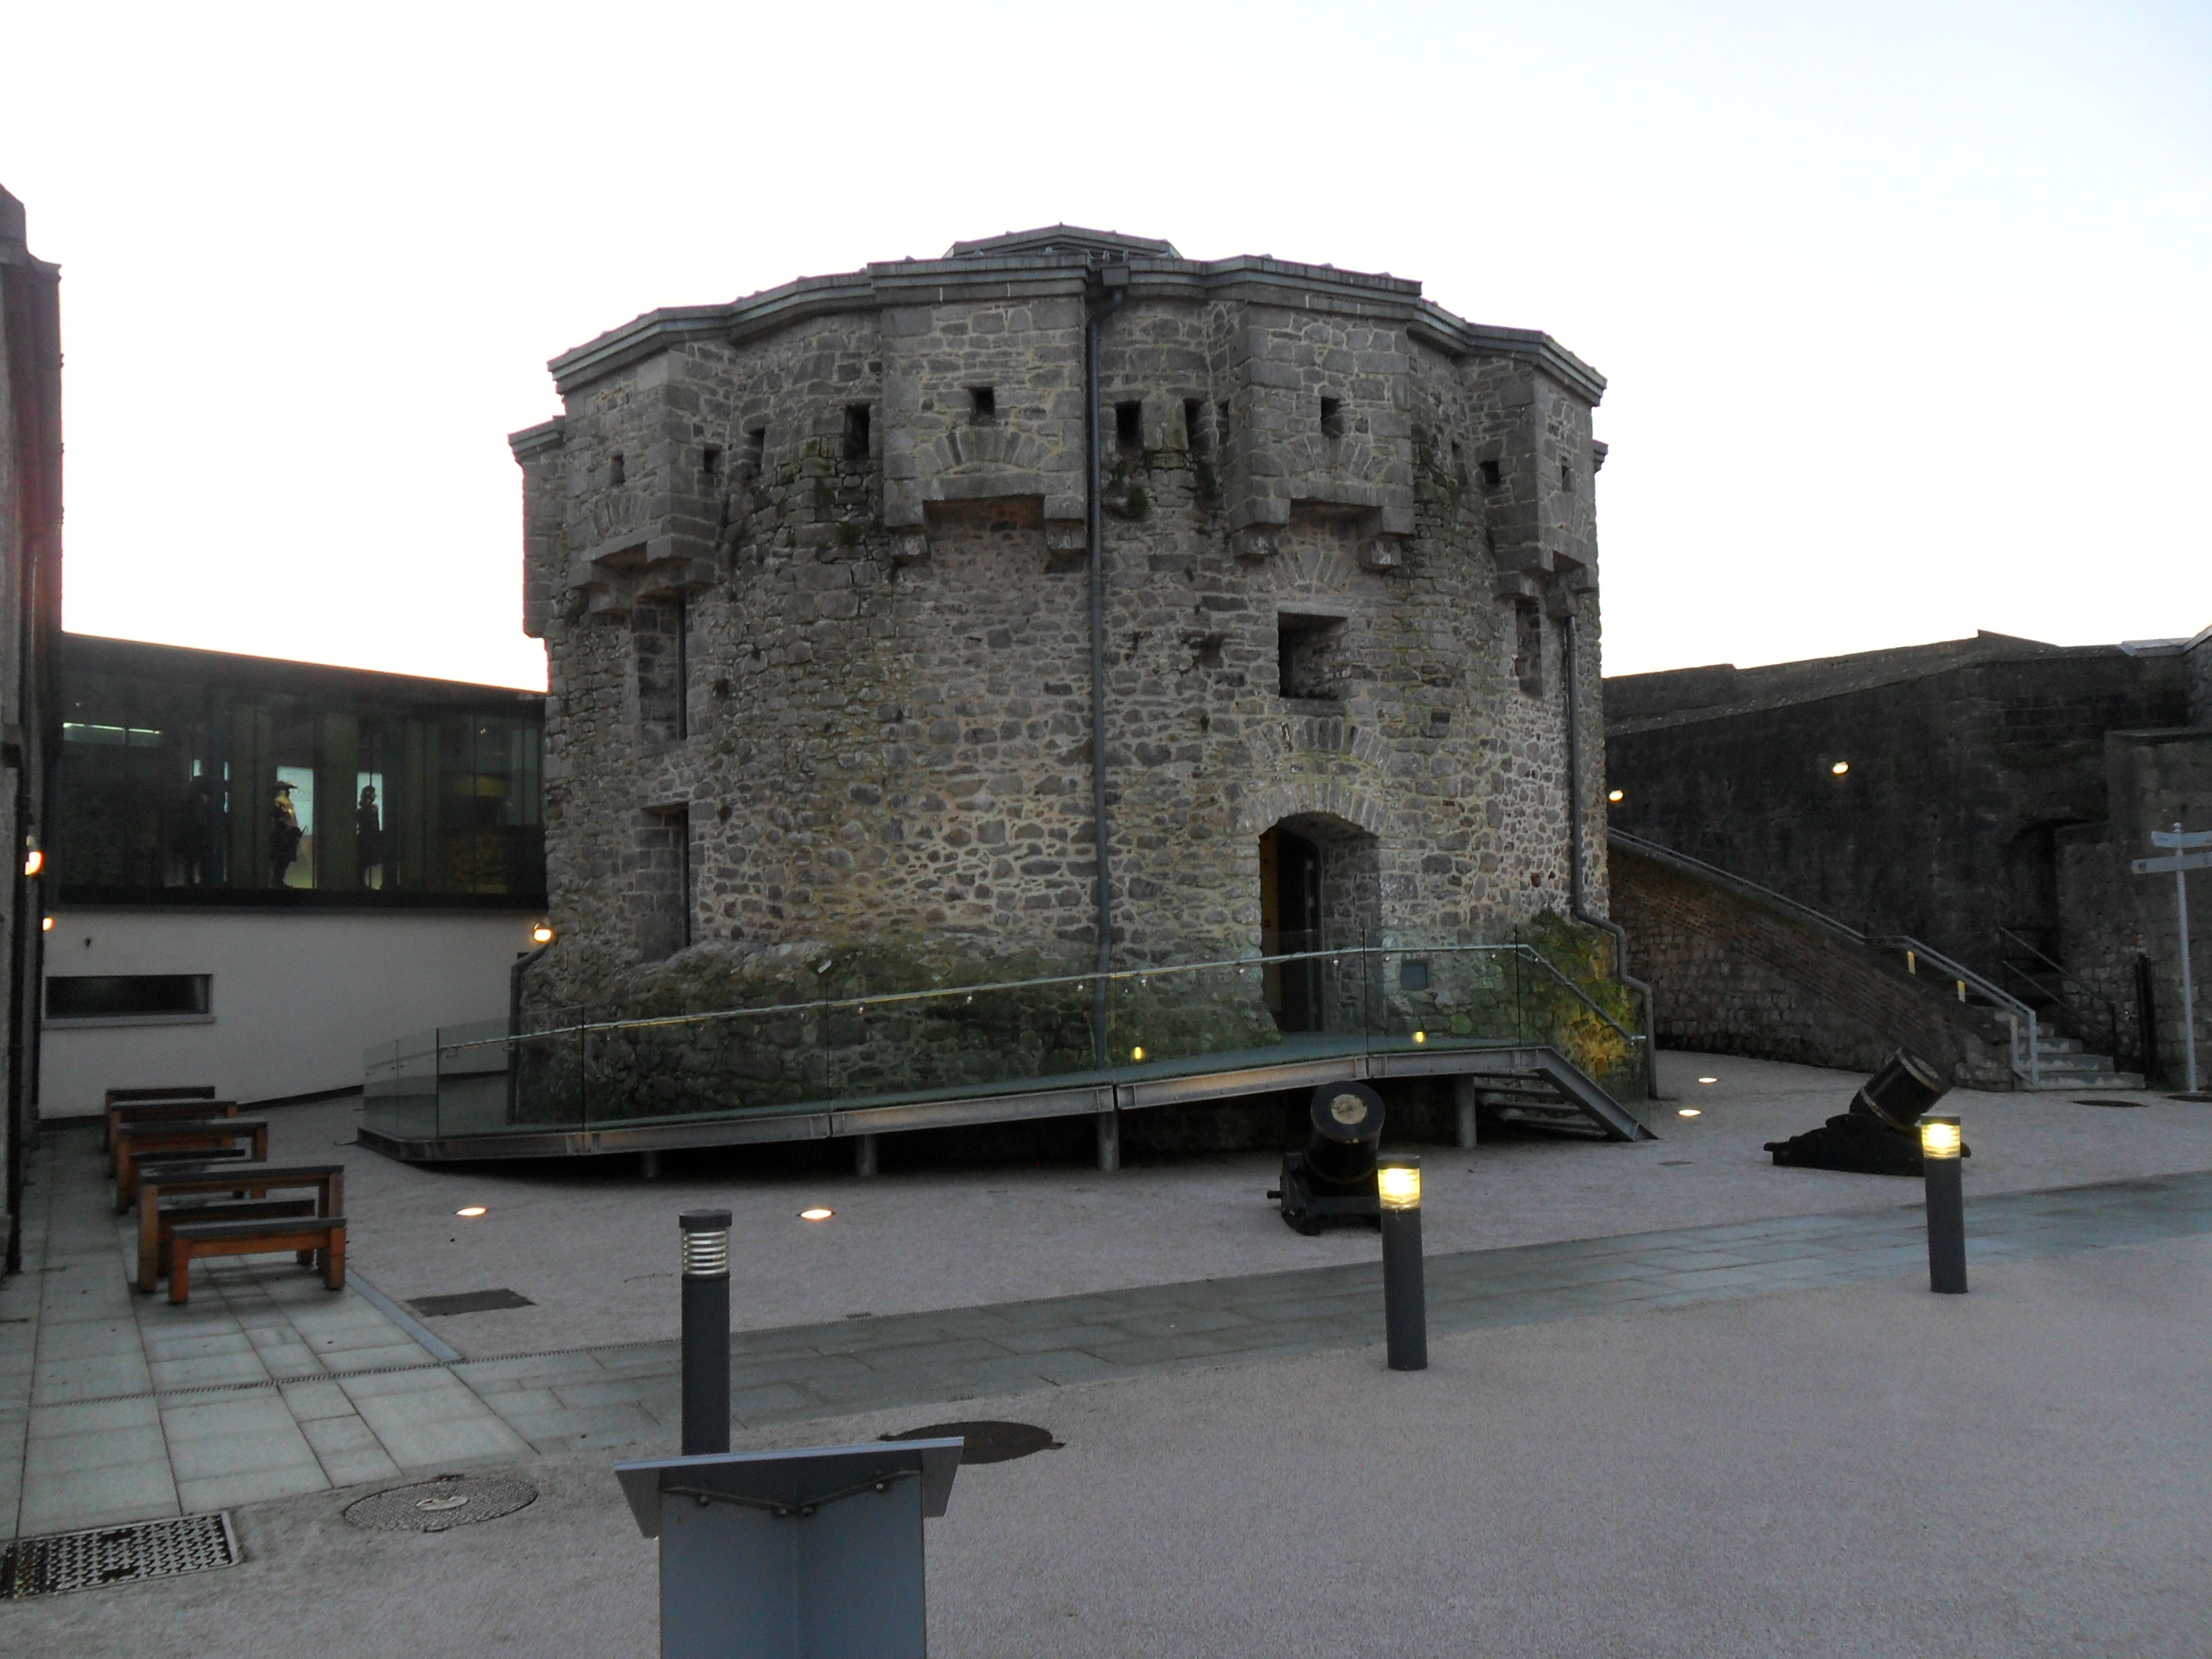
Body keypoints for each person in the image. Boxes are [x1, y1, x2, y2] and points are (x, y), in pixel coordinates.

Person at [268, 782, 304, 885]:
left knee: (285, 858)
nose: (288, 792)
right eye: (286, 790)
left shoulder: (284, 802)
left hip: (288, 833)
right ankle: (277, 880)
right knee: (282, 858)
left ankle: (279, 880)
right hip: (284, 834)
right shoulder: (280, 802)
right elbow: (283, 817)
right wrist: (291, 827)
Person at [356, 783, 386, 888]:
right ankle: (360, 883)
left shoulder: (374, 808)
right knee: (363, 862)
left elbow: (375, 823)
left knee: (371, 860)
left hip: (374, 836)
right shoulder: (361, 811)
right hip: (366, 838)